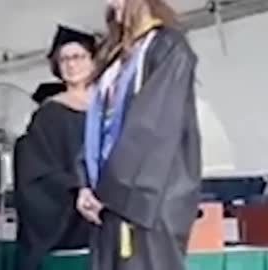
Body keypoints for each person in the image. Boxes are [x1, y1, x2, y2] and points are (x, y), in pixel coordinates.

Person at [77, 0, 201, 270]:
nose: (111, 4)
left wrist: (110, 192)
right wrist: (85, 184)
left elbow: (152, 127)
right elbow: (96, 129)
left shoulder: (167, 47)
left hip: (146, 204)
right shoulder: (115, 58)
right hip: (109, 202)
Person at [14, 25, 96, 270]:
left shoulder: (109, 107)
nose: (71, 65)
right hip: (72, 223)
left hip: (111, 216)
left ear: (93, 60)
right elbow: (34, 172)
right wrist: (78, 188)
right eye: (64, 59)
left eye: (78, 57)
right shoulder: (49, 114)